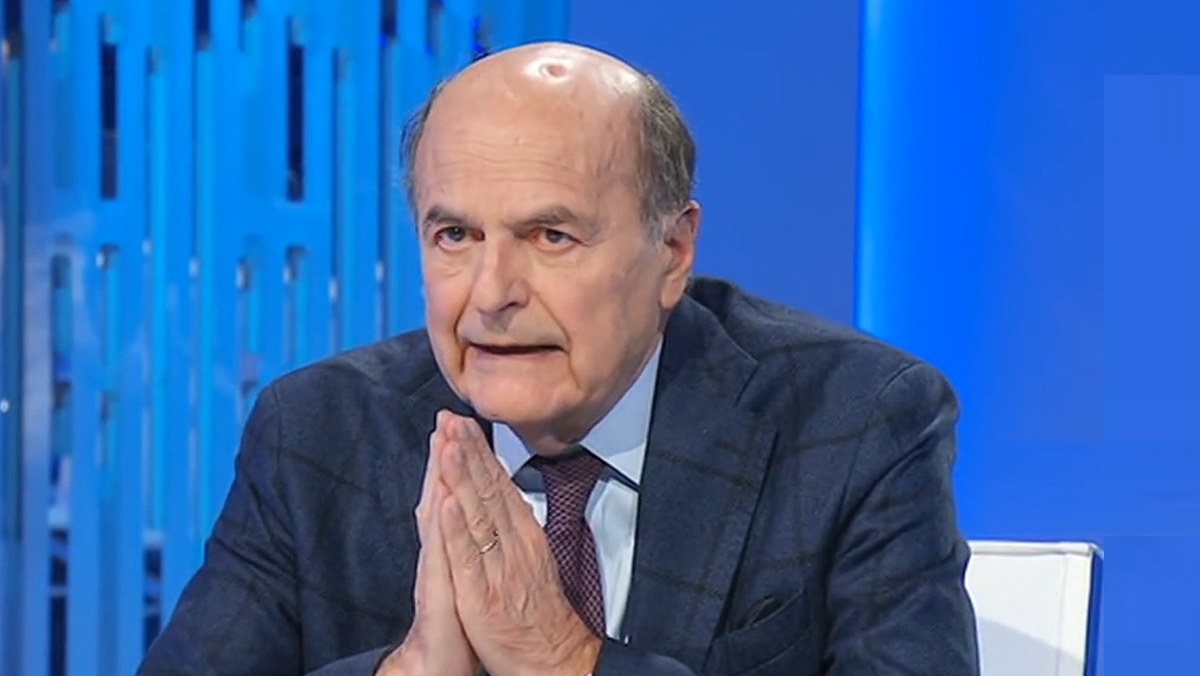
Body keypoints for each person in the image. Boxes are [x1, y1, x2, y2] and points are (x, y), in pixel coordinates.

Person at [137, 41, 979, 676]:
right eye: (455, 235)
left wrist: (563, 660)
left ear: (673, 251)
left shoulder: (852, 422)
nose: (491, 294)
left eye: (550, 235)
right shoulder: (319, 433)